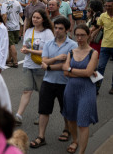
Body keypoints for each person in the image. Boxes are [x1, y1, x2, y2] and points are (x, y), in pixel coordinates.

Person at [29, 17, 77, 149]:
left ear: (67, 30)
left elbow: (67, 65)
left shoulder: (73, 45)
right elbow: (43, 61)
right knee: (43, 110)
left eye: (60, 28)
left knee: (65, 110)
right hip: (48, 81)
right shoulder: (49, 43)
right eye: (55, 28)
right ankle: (41, 136)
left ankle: (67, 130)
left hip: (65, 82)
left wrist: (50, 65)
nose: (57, 31)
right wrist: (55, 59)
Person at [62, 24, 98, 154]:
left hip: (87, 90)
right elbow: (64, 72)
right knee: (71, 118)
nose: (79, 38)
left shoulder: (93, 53)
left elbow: (88, 73)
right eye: (77, 35)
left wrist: (71, 69)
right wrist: (77, 71)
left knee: (83, 122)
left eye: (82, 35)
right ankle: (75, 140)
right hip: (71, 89)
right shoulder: (71, 52)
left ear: (88, 35)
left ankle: (81, 151)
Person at [15, 9, 54, 126]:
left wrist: (29, 50)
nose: (35, 19)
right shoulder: (29, 31)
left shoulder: (47, 33)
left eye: (38, 18)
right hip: (28, 64)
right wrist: (24, 49)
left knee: (42, 92)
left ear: (43, 19)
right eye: (33, 17)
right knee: (26, 90)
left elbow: (49, 51)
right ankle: (18, 116)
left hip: (41, 65)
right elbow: (25, 45)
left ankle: (41, 114)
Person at [2, 0, 23, 68]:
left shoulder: (4, 4)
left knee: (11, 44)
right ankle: (9, 59)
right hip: (16, 25)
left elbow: (4, 16)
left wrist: (4, 25)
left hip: (8, 26)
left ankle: (15, 61)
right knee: (11, 44)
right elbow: (21, 14)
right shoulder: (17, 3)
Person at [96, 0, 113, 94]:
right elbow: (99, 26)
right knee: (100, 67)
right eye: (106, 6)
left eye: (110, 6)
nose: (107, 8)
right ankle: (95, 88)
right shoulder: (103, 16)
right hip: (105, 45)